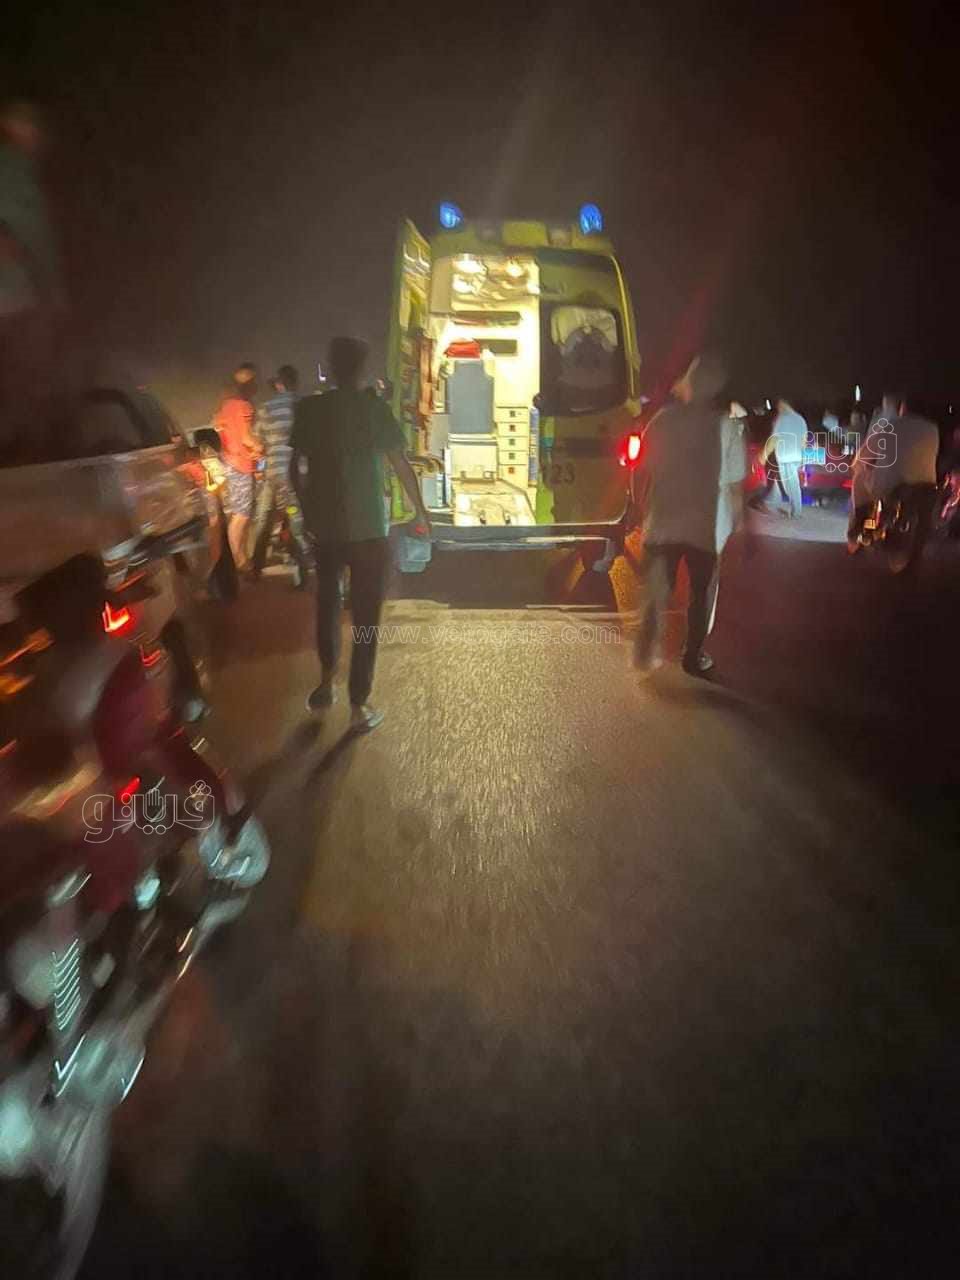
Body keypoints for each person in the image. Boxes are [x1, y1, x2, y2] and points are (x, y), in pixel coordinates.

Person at [289, 336, 431, 733]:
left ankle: (324, 684)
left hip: (326, 529)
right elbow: (400, 464)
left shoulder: (311, 410)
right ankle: (358, 704)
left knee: (328, 604)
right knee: (367, 614)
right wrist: (421, 510)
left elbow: (295, 467)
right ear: (362, 368)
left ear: (332, 366)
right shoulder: (373, 409)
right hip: (368, 529)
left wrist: (307, 511)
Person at [633, 353, 727, 679]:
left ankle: (646, 647)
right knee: (701, 595)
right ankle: (693, 655)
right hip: (702, 527)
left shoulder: (663, 421)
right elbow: (734, 483)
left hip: (662, 522)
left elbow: (640, 469)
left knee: (659, 588)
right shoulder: (721, 426)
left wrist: (639, 506)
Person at [0, 99, 63, 455]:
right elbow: (35, 237)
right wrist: (55, 297)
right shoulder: (15, 169)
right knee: (27, 383)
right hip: (16, 302)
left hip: (15, 301)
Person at [849, 393, 939, 554]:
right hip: (927, 487)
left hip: (892, 486)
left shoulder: (889, 426)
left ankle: (856, 528)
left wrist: (859, 466)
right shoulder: (933, 429)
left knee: (860, 478)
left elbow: (862, 457)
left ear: (903, 408)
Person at [251, 364, 310, 587]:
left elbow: (257, 440)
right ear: (295, 382)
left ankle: (256, 568)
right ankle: (303, 570)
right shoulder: (302, 405)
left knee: (264, 517)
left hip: (272, 473)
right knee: (295, 517)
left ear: (278, 384)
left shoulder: (265, 408)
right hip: (295, 473)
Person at [214, 363, 261, 572]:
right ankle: (237, 561)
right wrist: (261, 446)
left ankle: (240, 556)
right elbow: (246, 438)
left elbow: (221, 432)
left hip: (229, 462)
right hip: (241, 464)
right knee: (241, 514)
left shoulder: (224, 407)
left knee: (238, 512)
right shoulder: (244, 406)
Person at [758, 397, 807, 518]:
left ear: (783, 404)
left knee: (790, 485)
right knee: (783, 482)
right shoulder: (800, 419)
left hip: (785, 457)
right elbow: (804, 441)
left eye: (779, 405)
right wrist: (802, 457)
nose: (778, 408)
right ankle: (772, 502)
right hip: (795, 456)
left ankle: (796, 512)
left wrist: (764, 455)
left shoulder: (783, 419)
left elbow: (774, 439)